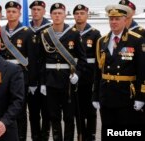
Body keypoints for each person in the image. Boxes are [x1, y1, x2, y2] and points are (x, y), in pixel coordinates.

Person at [92, 4, 145, 140]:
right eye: (111, 19)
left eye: (117, 19)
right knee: (108, 132)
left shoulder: (136, 40)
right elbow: (98, 71)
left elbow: (142, 71)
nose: (113, 22)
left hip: (126, 95)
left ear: (125, 20)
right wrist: (95, 95)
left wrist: (141, 96)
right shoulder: (101, 41)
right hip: (107, 95)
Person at [40, 3, 87, 141]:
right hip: (50, 80)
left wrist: (77, 75)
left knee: (68, 116)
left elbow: (82, 60)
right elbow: (41, 61)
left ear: (65, 15)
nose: (57, 16)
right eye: (54, 13)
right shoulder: (45, 34)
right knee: (53, 116)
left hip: (68, 81)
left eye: (60, 13)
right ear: (50, 15)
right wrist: (42, 82)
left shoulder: (73, 33)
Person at [0, 1, 35, 141]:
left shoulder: (27, 33)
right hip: (2, 76)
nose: (11, 14)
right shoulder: (0, 32)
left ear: (19, 14)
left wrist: (32, 81)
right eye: (8, 11)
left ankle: (21, 138)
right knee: (3, 108)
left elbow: (32, 59)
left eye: (14, 11)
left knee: (19, 111)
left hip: (21, 76)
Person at [73, 4, 101, 141]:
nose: (79, 15)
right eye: (77, 13)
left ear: (87, 15)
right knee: (77, 109)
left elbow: (98, 59)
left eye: (82, 13)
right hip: (75, 76)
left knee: (90, 110)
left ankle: (91, 136)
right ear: (73, 16)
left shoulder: (95, 33)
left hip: (89, 77)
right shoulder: (70, 32)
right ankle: (80, 135)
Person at [28, 1, 51, 141]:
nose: (36, 12)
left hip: (47, 77)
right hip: (31, 76)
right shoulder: (26, 28)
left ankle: (45, 137)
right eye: (34, 9)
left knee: (47, 112)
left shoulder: (50, 29)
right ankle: (36, 137)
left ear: (44, 11)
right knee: (33, 112)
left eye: (38, 9)